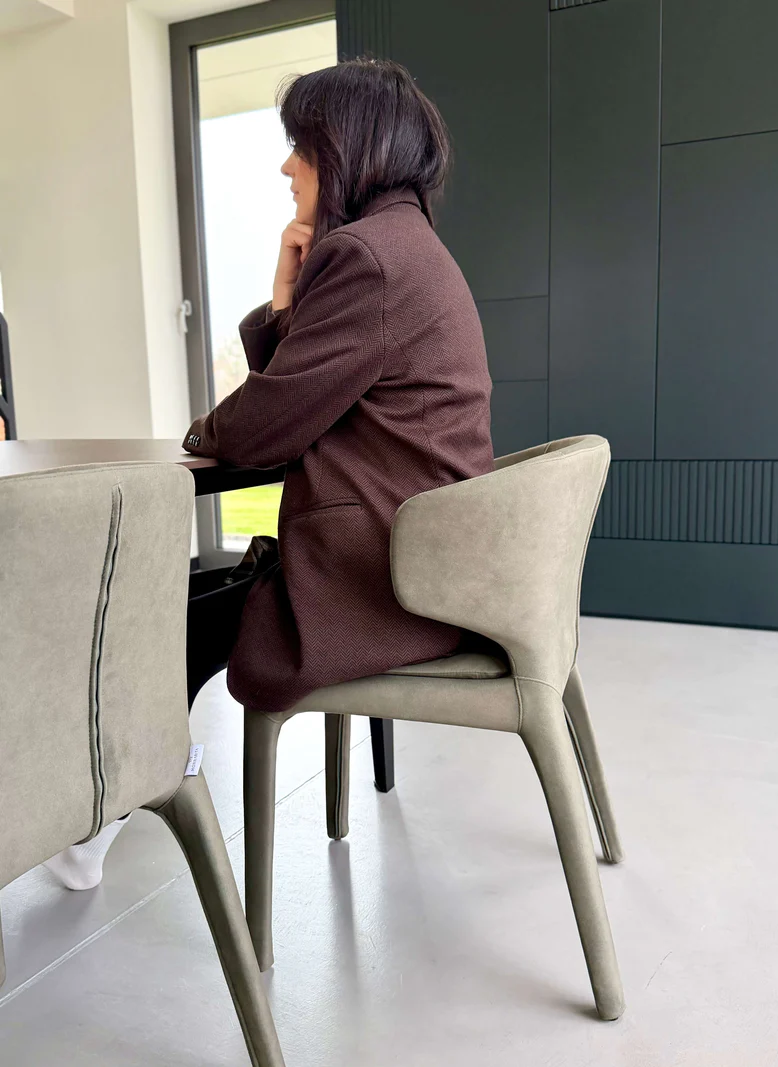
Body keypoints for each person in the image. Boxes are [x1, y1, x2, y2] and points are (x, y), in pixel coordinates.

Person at [45, 57, 494, 890]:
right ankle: (104, 808)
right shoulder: (408, 246)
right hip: (419, 567)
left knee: (158, 617)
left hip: (385, 584)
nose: (288, 168)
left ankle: (95, 809)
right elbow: (309, 397)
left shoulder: (367, 257)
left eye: (303, 148)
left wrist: (202, 426)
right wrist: (287, 300)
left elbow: (261, 428)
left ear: (348, 149)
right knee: (195, 588)